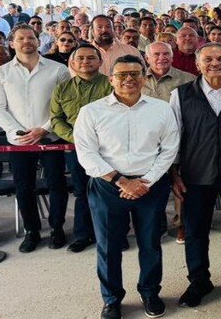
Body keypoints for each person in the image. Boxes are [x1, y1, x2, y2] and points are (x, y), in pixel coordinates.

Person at [74, 55, 179, 319]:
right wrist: (121, 181)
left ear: (144, 78)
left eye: (135, 74)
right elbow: (86, 153)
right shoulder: (91, 111)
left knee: (151, 243)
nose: (128, 79)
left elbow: (169, 149)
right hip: (107, 186)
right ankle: (111, 299)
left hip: (150, 186)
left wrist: (146, 181)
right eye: (122, 75)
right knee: (108, 247)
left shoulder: (162, 109)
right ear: (111, 79)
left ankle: (150, 292)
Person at [168, 42, 221, 305]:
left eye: (220, 58)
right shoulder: (181, 94)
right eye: (208, 59)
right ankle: (199, 280)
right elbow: (174, 135)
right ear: (197, 64)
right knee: (195, 229)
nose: (214, 63)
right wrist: (174, 172)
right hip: (196, 172)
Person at [0, 24, 71, 252]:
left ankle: (57, 228)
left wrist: (44, 129)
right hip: (19, 141)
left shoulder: (58, 69)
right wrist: (18, 132)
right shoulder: (1, 73)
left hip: (51, 136)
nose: (27, 41)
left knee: (56, 184)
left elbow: (64, 106)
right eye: (21, 38)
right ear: (12, 43)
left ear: (38, 41)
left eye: (31, 37)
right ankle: (31, 231)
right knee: (24, 187)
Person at [50, 44, 113, 253]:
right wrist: (77, 138)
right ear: (73, 63)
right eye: (81, 58)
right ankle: (83, 235)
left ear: (100, 62)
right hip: (76, 148)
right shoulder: (62, 88)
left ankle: (113, 235)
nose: (85, 62)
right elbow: (56, 119)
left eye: (91, 58)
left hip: (108, 148)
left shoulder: (111, 85)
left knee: (109, 190)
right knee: (82, 191)